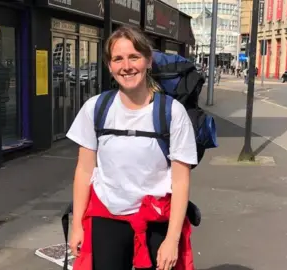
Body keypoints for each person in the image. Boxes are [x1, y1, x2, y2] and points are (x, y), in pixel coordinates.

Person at [66, 25, 198, 270]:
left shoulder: (171, 112)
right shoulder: (96, 108)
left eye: (134, 57)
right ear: (110, 66)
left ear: (148, 60)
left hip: (156, 219)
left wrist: (172, 239)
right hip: (107, 218)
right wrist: (77, 227)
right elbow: (84, 171)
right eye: (118, 59)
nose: (126, 66)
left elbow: (180, 182)